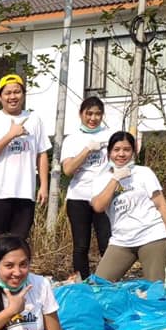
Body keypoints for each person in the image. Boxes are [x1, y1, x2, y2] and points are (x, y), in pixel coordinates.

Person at [90, 131, 166, 282]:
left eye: (126, 150)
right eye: (116, 150)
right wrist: (115, 179)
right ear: (109, 153)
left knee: (155, 288)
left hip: (151, 236)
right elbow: (98, 207)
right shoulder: (101, 180)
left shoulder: (144, 173)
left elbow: (161, 204)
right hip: (121, 240)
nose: (121, 154)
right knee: (99, 284)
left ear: (133, 152)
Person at [0, 73, 50, 268]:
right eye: (7, 93)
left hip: (25, 191)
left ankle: (16, 279)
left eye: (17, 91)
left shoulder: (34, 119)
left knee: (19, 241)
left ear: (23, 95)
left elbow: (42, 153)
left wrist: (44, 185)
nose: (12, 96)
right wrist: (9, 135)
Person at [60, 96, 112, 279]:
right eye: (89, 113)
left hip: (103, 197)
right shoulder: (72, 139)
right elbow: (68, 169)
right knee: (81, 245)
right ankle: (82, 283)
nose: (93, 118)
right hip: (78, 197)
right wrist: (87, 150)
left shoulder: (110, 136)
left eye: (98, 114)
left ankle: (108, 281)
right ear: (81, 114)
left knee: (107, 242)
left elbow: (121, 161)